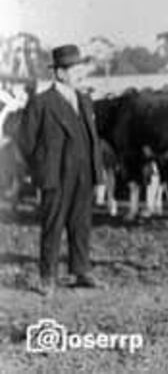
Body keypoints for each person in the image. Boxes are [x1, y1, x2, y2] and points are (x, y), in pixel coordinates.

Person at [20, 44, 103, 296]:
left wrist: (97, 176)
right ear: (60, 73)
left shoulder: (85, 100)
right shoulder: (41, 103)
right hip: (55, 175)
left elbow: (93, 141)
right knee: (53, 225)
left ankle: (81, 271)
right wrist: (42, 170)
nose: (80, 74)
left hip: (83, 174)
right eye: (75, 69)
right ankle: (47, 277)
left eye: (80, 68)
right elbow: (25, 142)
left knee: (81, 224)